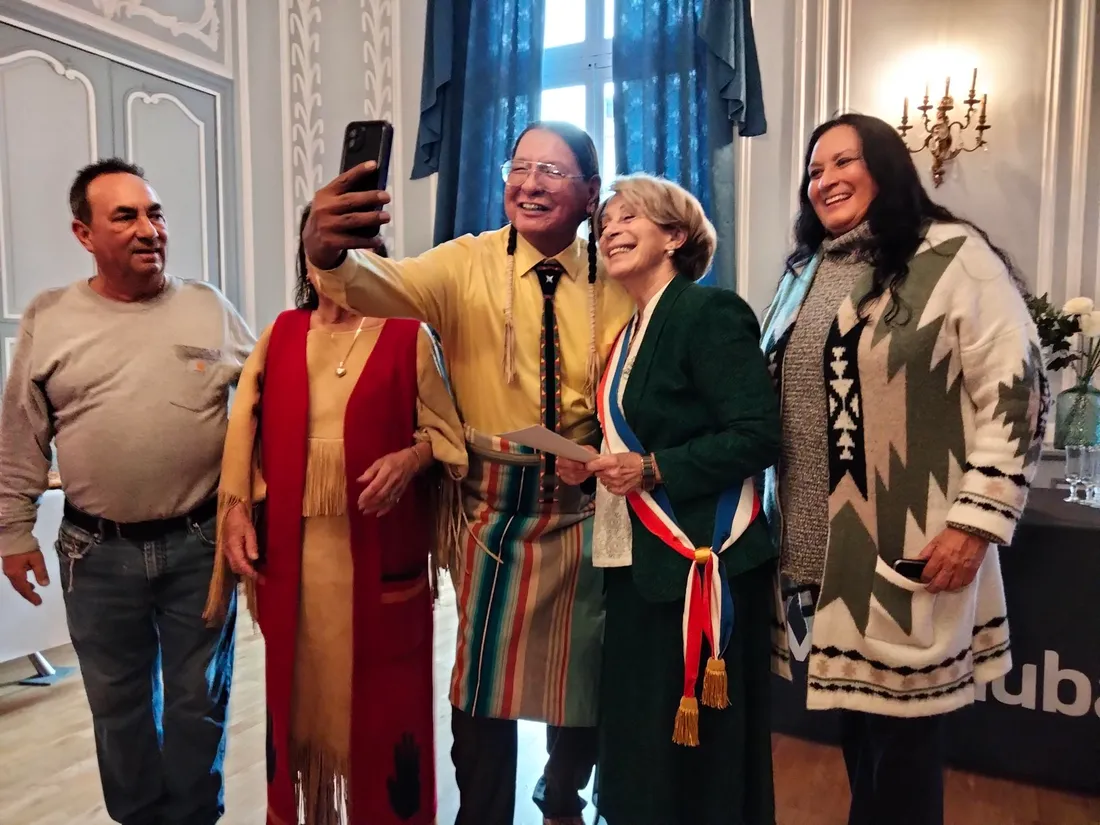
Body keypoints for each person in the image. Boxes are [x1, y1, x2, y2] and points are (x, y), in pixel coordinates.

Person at [302, 122, 636, 825]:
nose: (531, 182)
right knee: (481, 685)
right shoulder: (465, 263)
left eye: (551, 170)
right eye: (520, 166)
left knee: (587, 676)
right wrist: (326, 251)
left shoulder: (619, 277)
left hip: (589, 509)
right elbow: (373, 285)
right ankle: (481, 814)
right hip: (493, 512)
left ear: (590, 193)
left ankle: (564, 798)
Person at [761, 114, 1048, 825]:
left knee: (905, 753)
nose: (823, 179)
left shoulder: (952, 257)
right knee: (861, 742)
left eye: (842, 162)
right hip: (817, 552)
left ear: (886, 166)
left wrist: (975, 522)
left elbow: (1017, 387)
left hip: (910, 543)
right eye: (814, 168)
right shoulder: (805, 273)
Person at [0, 158, 252, 825]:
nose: (150, 229)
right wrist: (14, 532)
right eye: (126, 216)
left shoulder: (207, 306)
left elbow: (265, 403)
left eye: (156, 212)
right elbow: (21, 433)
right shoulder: (50, 318)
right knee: (120, 706)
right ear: (84, 233)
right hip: (96, 553)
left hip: (200, 546)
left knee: (201, 699)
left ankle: (197, 815)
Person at [203, 204, 467, 825]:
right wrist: (236, 511)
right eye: (326, 245)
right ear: (308, 253)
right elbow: (243, 430)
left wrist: (411, 458)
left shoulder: (410, 335)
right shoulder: (282, 333)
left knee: (383, 710)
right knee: (303, 702)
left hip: (379, 562)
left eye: (354, 246)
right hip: (296, 563)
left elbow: (446, 434)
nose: (338, 258)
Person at [556, 174, 780, 825]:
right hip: (637, 568)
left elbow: (757, 434)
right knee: (638, 743)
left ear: (675, 236)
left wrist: (654, 468)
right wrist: (594, 466)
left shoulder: (707, 312)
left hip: (700, 569)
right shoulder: (627, 336)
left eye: (631, 218)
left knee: (697, 762)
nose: (611, 230)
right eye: (605, 224)